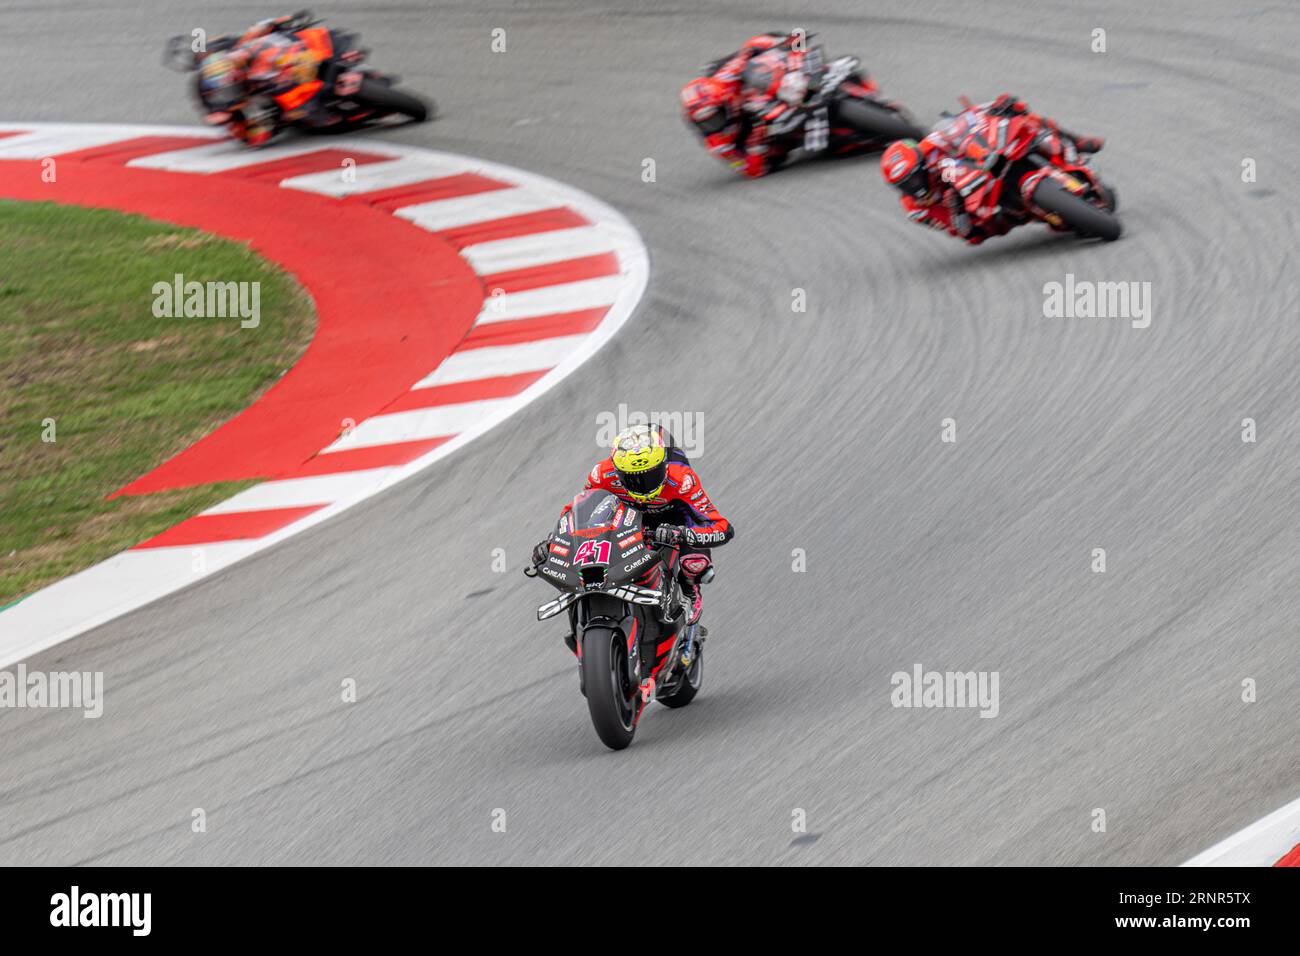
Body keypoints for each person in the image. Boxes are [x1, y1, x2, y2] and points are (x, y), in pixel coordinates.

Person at [532, 423, 734, 637]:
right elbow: (577, 511)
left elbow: (722, 527)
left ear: (663, 465)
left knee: (695, 563)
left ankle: (689, 593)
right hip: (627, 520)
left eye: (650, 475)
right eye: (632, 476)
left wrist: (681, 534)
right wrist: (554, 542)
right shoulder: (602, 474)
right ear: (618, 470)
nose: (642, 484)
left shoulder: (681, 479)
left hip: (671, 523)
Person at [880, 93, 1105, 243]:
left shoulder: (931, 147)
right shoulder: (915, 209)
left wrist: (994, 109)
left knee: (1023, 117)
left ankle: (1076, 141)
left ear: (920, 162)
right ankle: (1050, 212)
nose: (914, 186)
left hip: (982, 167)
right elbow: (963, 233)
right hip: (983, 211)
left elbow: (964, 125)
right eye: (905, 185)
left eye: (913, 177)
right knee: (986, 230)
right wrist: (957, 211)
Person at [679, 32, 814, 178]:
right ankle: (801, 134)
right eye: (706, 123)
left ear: (723, 102)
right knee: (774, 152)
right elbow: (749, 170)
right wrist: (755, 148)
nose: (714, 125)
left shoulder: (724, 80)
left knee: (760, 54)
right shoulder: (718, 144)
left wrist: (783, 45)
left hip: (757, 99)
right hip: (759, 134)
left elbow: (748, 51)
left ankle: (799, 69)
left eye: (715, 117)